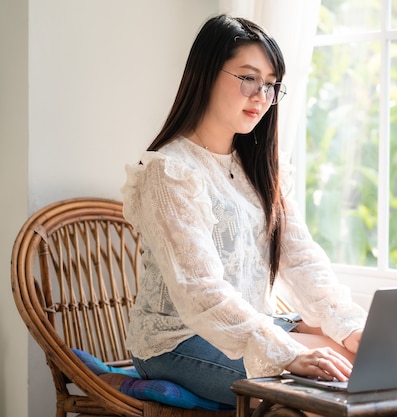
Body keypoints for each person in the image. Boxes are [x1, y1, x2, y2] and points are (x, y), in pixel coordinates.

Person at [121, 14, 367, 407]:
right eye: (248, 78)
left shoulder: (262, 169)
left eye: (270, 85)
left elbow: (301, 260)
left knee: (365, 363)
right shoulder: (170, 172)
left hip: (245, 325)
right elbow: (201, 290)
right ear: (205, 73)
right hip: (176, 342)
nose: (261, 96)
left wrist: (351, 327)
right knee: (326, 391)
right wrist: (288, 353)